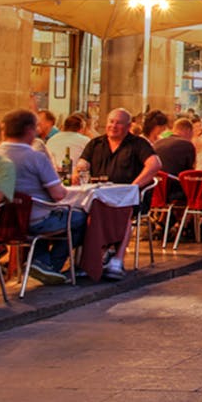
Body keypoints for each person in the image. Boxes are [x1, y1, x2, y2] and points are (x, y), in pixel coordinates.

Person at [0, 110, 86, 285]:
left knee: (49, 216)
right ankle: (50, 264)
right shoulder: (35, 157)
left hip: (1, 220)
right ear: (29, 130)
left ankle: (40, 260)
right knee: (81, 218)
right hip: (33, 220)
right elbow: (58, 194)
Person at [75, 108, 161, 280]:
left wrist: (133, 187)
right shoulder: (95, 144)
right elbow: (81, 165)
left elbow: (155, 164)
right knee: (80, 214)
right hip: (99, 196)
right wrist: (79, 172)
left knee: (123, 212)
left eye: (119, 123)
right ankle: (92, 260)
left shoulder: (138, 144)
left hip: (128, 198)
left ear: (128, 126)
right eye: (111, 121)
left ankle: (117, 259)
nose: (113, 126)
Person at [153, 118, 196, 202]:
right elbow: (189, 172)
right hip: (174, 189)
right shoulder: (187, 145)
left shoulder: (157, 143)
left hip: (156, 188)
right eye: (192, 133)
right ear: (187, 130)